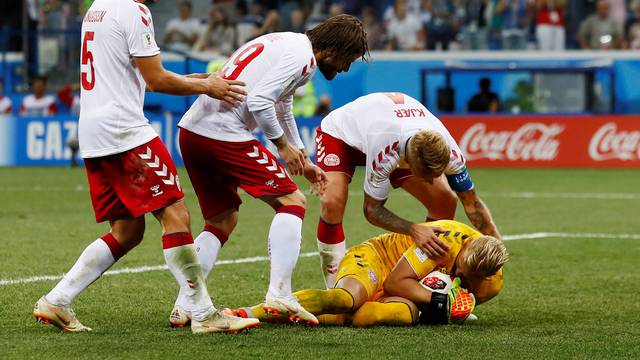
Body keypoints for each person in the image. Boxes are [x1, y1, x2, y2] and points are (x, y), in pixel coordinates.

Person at [33, 0, 259, 334]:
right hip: (125, 130)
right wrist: (206, 86)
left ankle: (58, 299)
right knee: (176, 214)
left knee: (127, 231)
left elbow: (132, 73)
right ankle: (203, 314)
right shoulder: (134, 10)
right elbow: (155, 81)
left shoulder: (98, 8)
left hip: (95, 131)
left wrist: (197, 79)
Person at [169, 14, 369, 328]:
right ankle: (280, 294)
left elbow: (282, 104)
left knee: (221, 220)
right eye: (348, 59)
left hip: (193, 131)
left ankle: (186, 306)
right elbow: (261, 101)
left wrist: (298, 151)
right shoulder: (302, 59)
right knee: (293, 202)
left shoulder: (288, 43)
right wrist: (281, 145)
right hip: (221, 132)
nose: (345, 67)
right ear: (334, 50)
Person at [313, 92, 501, 289]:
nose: (431, 180)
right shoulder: (387, 152)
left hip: (393, 132)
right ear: (409, 162)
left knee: (445, 199)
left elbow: (472, 202)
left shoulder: (451, 152)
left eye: (437, 173)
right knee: (332, 201)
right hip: (341, 136)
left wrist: (497, 246)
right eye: (427, 175)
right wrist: (414, 229)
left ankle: (421, 280)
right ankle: (335, 287)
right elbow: (372, 210)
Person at [232, 220, 508, 327]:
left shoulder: (489, 286)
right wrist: (438, 300)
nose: (459, 276)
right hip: (378, 259)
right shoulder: (444, 242)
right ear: (467, 247)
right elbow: (396, 282)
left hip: (409, 285)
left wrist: (442, 310)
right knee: (345, 299)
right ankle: (248, 312)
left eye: (469, 278)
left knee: (379, 315)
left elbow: (438, 310)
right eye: (460, 268)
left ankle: (295, 315)